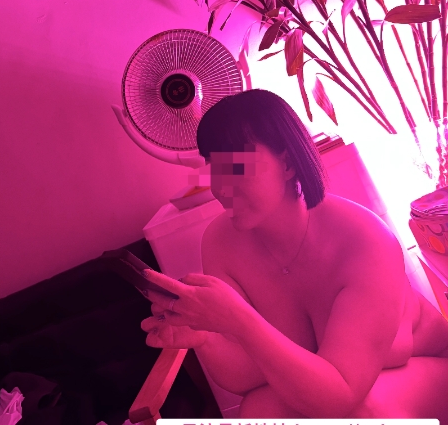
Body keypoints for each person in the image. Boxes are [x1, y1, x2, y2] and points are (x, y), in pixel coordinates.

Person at [141, 89, 448, 420]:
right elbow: (248, 378)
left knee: (363, 413)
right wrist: (205, 338)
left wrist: (238, 319)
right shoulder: (220, 242)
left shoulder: (363, 241)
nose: (220, 186)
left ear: (287, 164)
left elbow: (341, 396)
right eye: (214, 167)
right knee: (257, 410)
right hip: (342, 389)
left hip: (431, 371)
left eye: (236, 166)